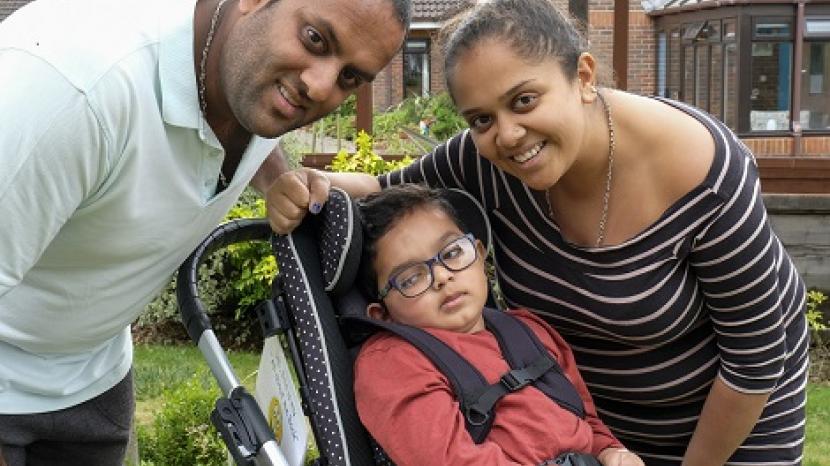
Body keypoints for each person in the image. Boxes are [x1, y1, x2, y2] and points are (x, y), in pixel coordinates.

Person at [266, 0, 810, 464]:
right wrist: (310, 184)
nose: (507, 134)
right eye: (480, 118)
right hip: (578, 419)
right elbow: (385, 189)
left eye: (524, 100)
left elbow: (755, 361)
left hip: (730, 418)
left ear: (584, 77)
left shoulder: (703, 172)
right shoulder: (486, 160)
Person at [0, 0, 409, 464]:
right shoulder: (72, 89)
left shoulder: (249, 66)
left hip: (96, 376)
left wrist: (275, 178)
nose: (319, 86)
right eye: (315, 39)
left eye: (349, 78)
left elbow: (260, 129)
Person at [352, 184, 643, 466]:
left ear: (479, 255)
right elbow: (450, 460)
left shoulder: (529, 331)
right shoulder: (393, 362)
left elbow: (584, 418)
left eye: (452, 253)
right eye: (411, 278)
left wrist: (611, 451)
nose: (441, 276)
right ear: (384, 315)